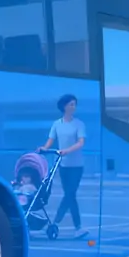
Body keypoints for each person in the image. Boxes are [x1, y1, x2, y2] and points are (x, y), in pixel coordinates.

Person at [37, 94, 88, 239]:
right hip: (63, 165)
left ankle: (58, 223)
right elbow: (51, 140)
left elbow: (81, 143)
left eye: (75, 104)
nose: (73, 107)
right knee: (69, 195)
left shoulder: (79, 124)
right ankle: (76, 228)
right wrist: (44, 149)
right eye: (71, 104)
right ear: (64, 106)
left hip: (77, 165)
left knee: (70, 194)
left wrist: (67, 151)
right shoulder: (57, 124)